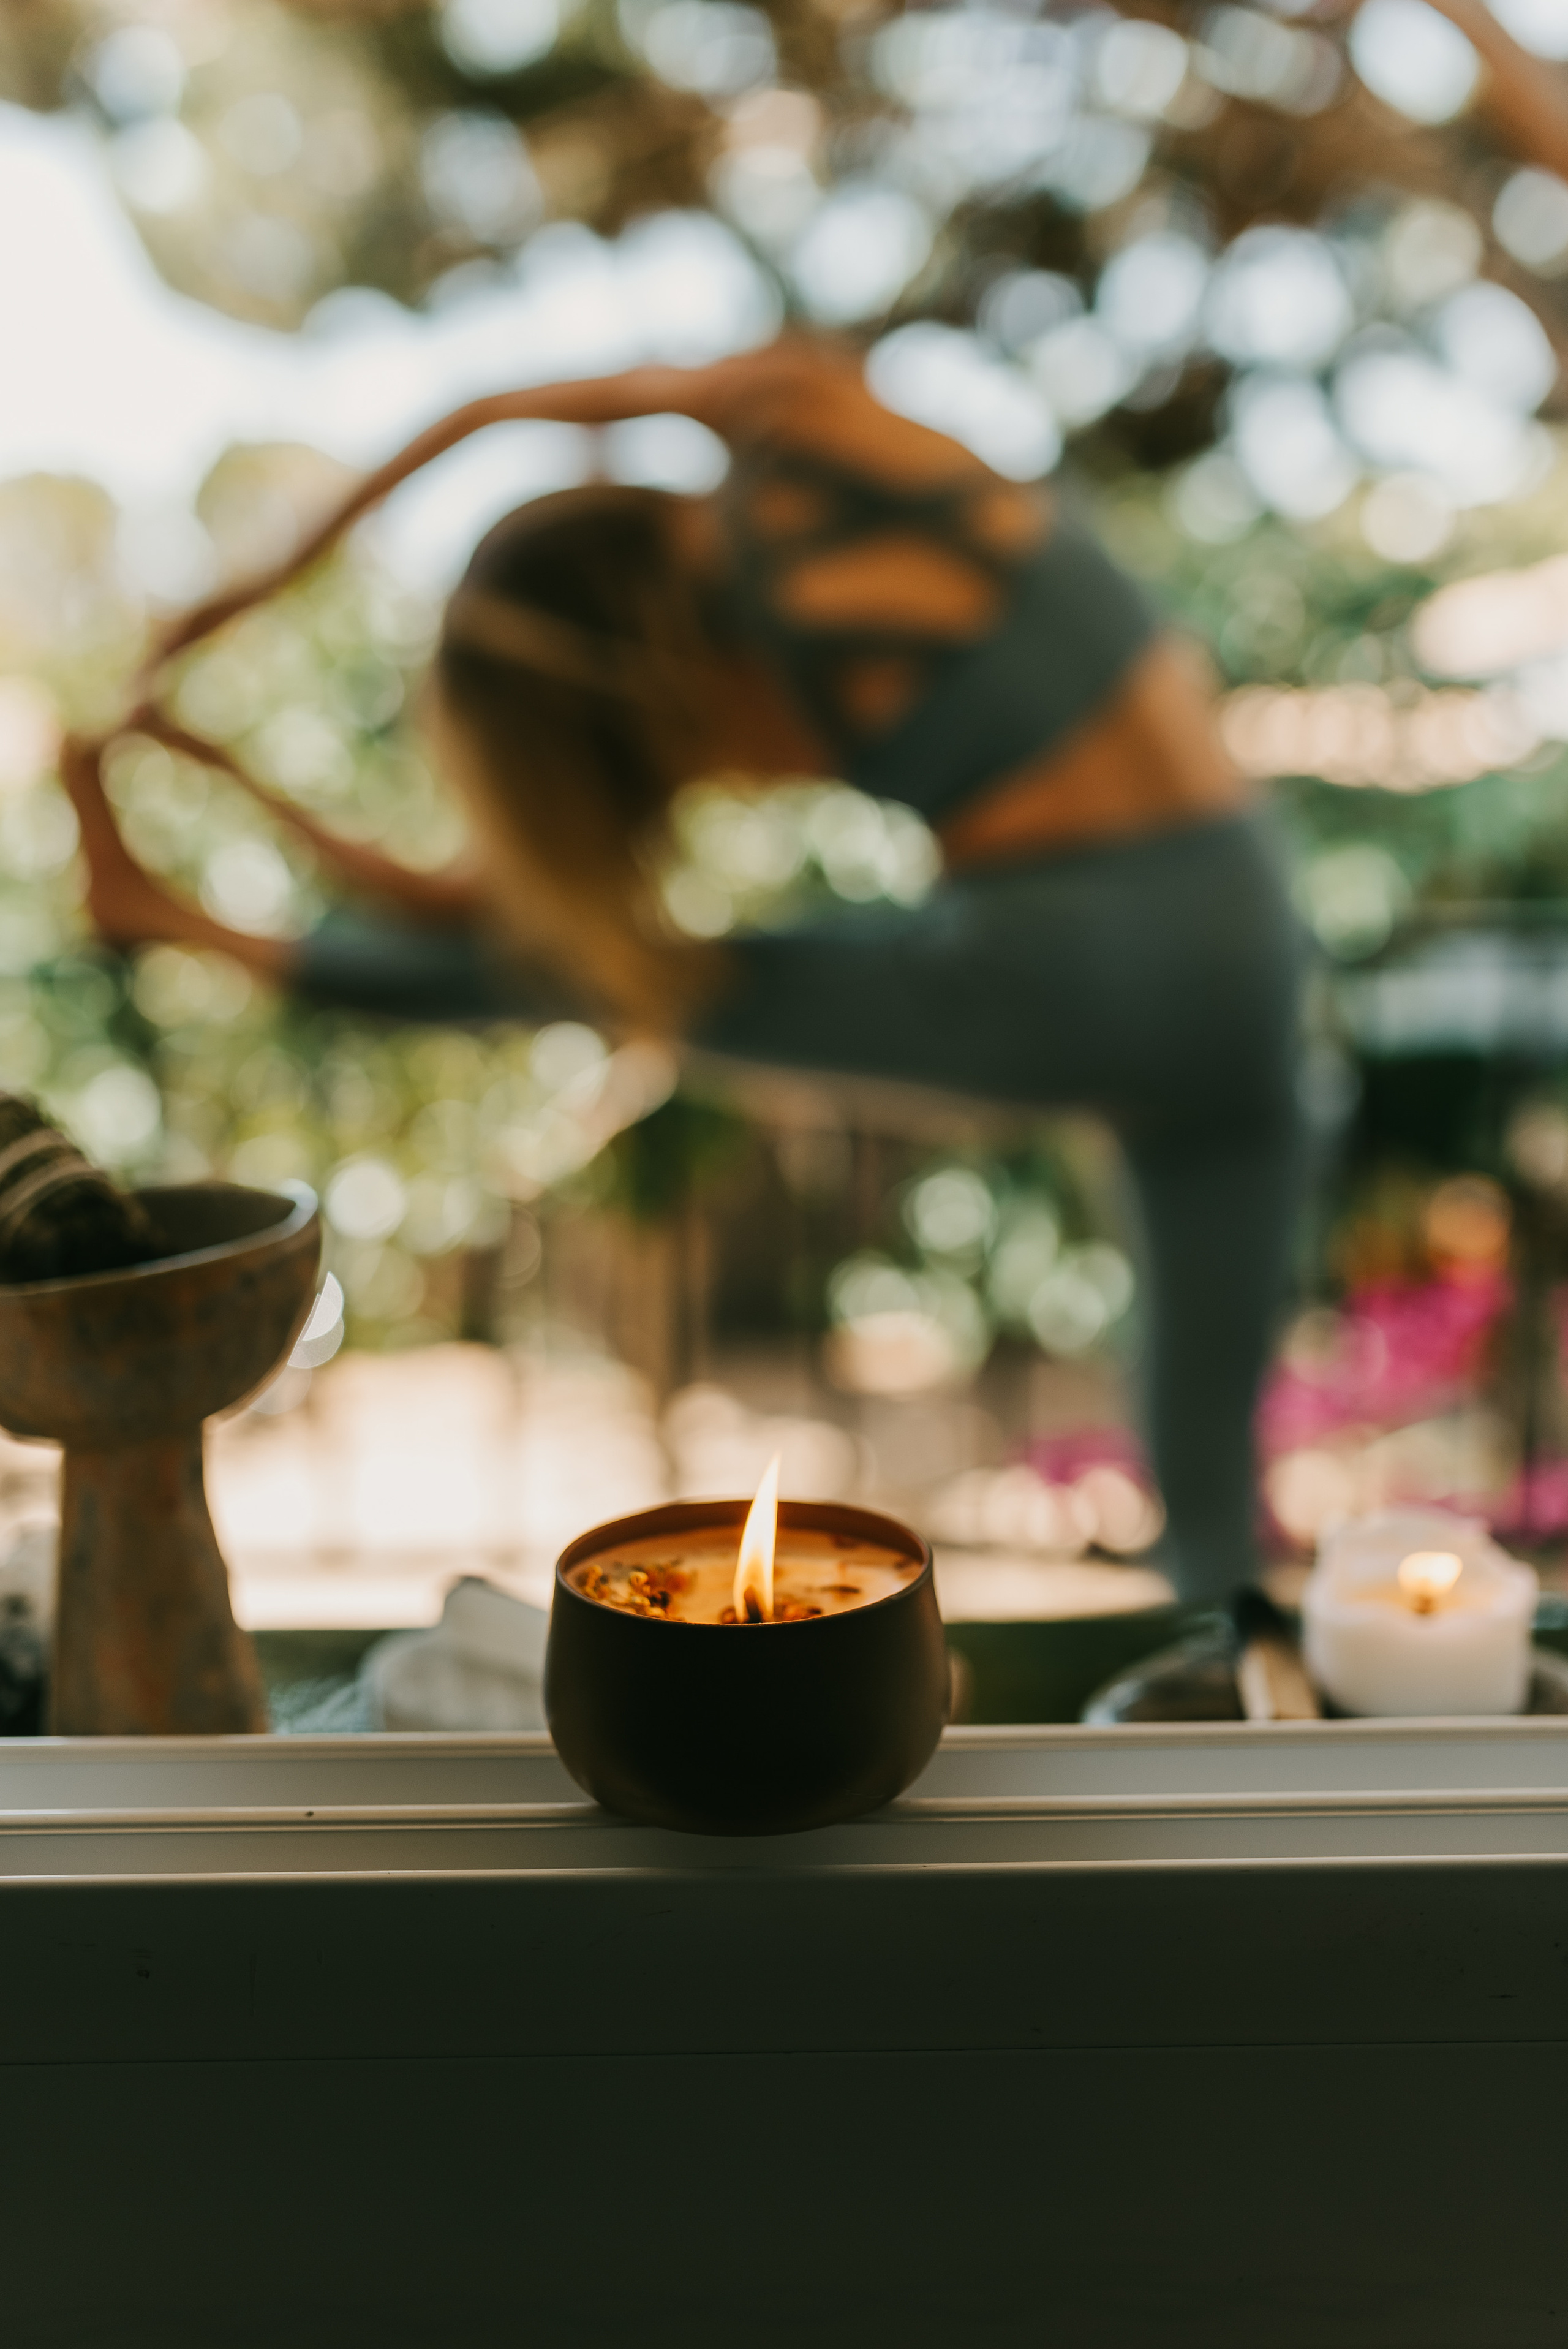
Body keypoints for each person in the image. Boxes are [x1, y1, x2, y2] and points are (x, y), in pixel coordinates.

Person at [66, 336, 1306, 1605]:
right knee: (1206, 1497)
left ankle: (176, 925)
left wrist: (214, 843)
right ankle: (1242, 1678)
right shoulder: (812, 434)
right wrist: (258, 602)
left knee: (626, 980)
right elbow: (492, 399)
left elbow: (520, 930)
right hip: (1253, 937)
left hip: (1096, 970)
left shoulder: (735, 645)